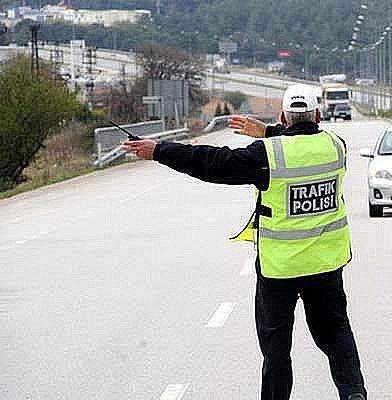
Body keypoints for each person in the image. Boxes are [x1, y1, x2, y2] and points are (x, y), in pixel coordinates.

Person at [123, 84, 367, 400]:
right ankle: (353, 394)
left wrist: (159, 150)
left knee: (277, 350)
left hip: (280, 269)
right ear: (319, 114)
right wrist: (268, 131)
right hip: (325, 264)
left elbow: (211, 161)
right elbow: (300, 143)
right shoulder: (337, 147)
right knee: (336, 333)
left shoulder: (266, 155)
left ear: (283, 116)